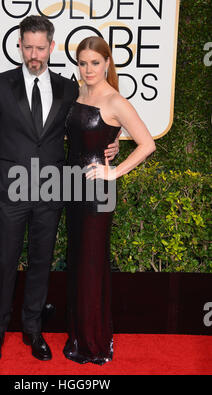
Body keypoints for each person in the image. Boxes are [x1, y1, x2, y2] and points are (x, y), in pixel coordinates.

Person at [0, 16, 119, 364]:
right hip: (9, 192)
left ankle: (33, 328)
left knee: (41, 263)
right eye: (29, 47)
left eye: (41, 47)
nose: (34, 54)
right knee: (5, 261)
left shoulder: (69, 89)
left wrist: (111, 146)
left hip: (51, 192)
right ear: (20, 46)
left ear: (52, 47)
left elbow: (99, 117)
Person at [63, 36, 156, 365]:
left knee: (91, 264)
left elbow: (147, 144)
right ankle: (79, 334)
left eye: (95, 63)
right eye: (83, 62)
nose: (88, 69)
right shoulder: (78, 93)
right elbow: (89, 135)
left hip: (97, 194)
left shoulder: (115, 100)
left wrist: (114, 172)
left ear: (107, 63)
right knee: (78, 262)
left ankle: (94, 343)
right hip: (72, 188)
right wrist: (112, 142)